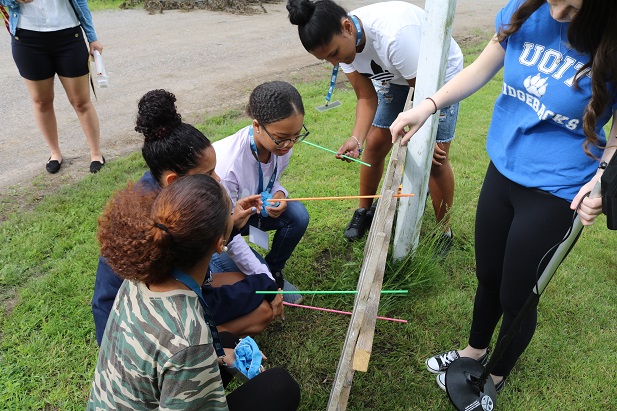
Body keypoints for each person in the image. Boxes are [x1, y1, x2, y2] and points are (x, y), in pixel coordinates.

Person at [390, 0, 617, 393]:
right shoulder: (524, 10)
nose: (559, 11)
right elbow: (481, 68)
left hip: (556, 188)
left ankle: (494, 374)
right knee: (489, 274)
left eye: (573, 5)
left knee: (518, 293)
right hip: (503, 167)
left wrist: (601, 177)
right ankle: (474, 351)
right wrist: (428, 107)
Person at [88, 173, 301, 410]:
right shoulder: (189, 337)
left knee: (226, 341)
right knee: (281, 387)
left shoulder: (138, 278)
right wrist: (201, 358)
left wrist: (217, 355)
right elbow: (184, 346)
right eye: (230, 215)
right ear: (221, 243)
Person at [92, 89, 282, 346]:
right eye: (209, 173)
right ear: (174, 180)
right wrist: (264, 285)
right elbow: (200, 299)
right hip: (136, 333)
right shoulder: (167, 225)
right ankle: (207, 347)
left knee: (242, 282)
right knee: (261, 312)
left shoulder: (163, 194)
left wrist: (232, 225)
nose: (217, 180)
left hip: (157, 304)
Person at [287, 0, 464, 248]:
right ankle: (364, 211)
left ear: (347, 27)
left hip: (438, 77)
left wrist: (426, 134)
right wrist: (356, 139)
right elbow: (367, 96)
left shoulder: (393, 37)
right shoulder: (345, 45)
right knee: (375, 142)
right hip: (395, 75)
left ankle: (443, 232)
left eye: (334, 54)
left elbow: (423, 95)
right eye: (326, 59)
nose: (334, 63)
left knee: (435, 159)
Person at [213, 81, 310, 304]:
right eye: (283, 137)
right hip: (224, 228)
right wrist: (264, 280)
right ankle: (266, 274)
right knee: (256, 278)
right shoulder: (228, 167)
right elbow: (229, 231)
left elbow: (271, 180)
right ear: (257, 126)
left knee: (297, 215)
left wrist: (279, 195)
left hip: (250, 211)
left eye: (296, 135)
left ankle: (275, 269)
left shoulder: (280, 145)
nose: (290, 144)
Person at [2, 0, 105, 173]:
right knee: (42, 101)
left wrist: (92, 37)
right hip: (27, 39)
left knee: (80, 101)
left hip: (68, 36)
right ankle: (55, 152)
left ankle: (96, 153)